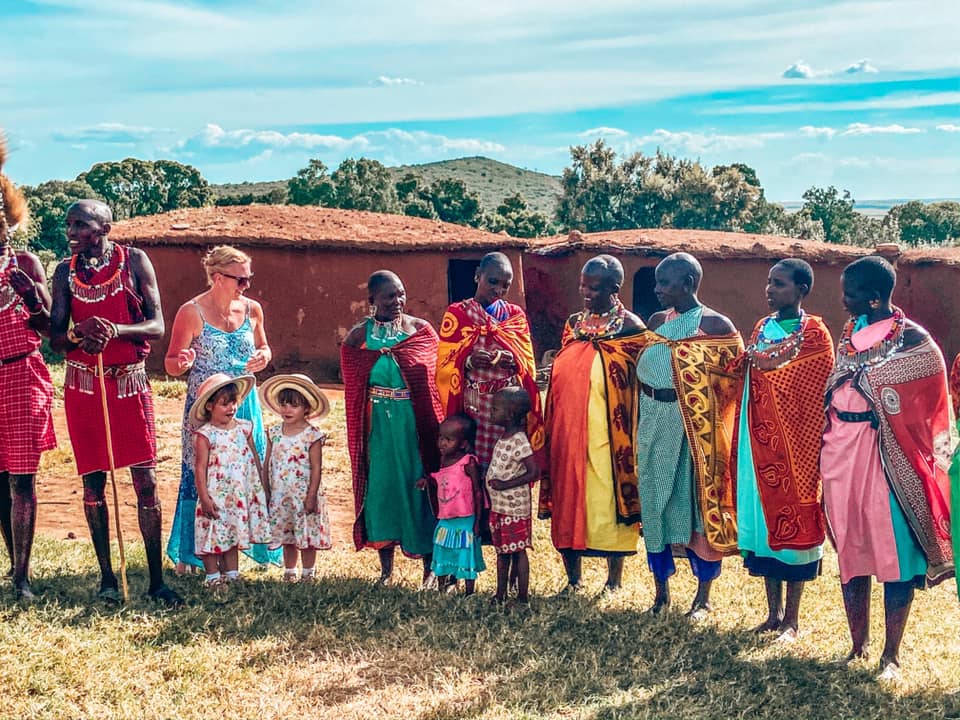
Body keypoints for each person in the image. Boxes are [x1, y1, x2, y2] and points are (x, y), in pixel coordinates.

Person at [821, 256, 955, 680]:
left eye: (851, 293)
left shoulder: (915, 342)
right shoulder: (850, 335)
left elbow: (932, 403)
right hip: (842, 452)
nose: (843, 301)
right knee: (852, 550)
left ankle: (890, 655)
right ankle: (857, 645)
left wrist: (870, 384)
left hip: (889, 459)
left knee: (895, 555)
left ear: (875, 297)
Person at [50, 199, 182, 605]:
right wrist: (77, 336)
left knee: (145, 481)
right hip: (84, 386)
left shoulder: (134, 261)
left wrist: (116, 329)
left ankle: (156, 581)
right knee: (93, 482)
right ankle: (108, 579)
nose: (72, 233)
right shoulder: (63, 272)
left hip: (128, 383)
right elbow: (55, 337)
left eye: (81, 225)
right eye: (69, 225)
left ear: (104, 228)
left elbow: (157, 324)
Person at [730, 259, 834, 641]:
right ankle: (772, 614)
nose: (769, 290)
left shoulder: (815, 334)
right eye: (769, 283)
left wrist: (765, 370)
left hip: (797, 447)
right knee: (762, 523)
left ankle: (792, 618)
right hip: (758, 441)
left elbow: (815, 386)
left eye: (779, 284)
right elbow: (753, 371)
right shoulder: (761, 328)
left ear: (801, 290)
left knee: (794, 525)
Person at [634, 252, 743, 617]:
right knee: (655, 502)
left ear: (689, 284)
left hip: (695, 432)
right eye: (657, 282)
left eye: (665, 283)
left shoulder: (715, 326)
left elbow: (733, 381)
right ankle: (660, 593)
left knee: (698, 506)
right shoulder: (656, 321)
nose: (657, 289)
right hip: (652, 420)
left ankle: (703, 597)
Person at [164, 245, 277, 574]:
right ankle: (191, 553)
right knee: (200, 472)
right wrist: (181, 363)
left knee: (245, 474)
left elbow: (265, 346)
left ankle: (240, 551)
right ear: (217, 277)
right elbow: (171, 362)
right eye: (240, 280)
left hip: (244, 405)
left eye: (249, 279)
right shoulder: (191, 312)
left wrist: (264, 357)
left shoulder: (253, 310)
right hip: (205, 408)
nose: (246, 287)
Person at [540, 255, 648, 594]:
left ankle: (613, 580)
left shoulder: (632, 329)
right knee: (568, 494)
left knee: (606, 498)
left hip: (610, 434)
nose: (586, 292)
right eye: (583, 285)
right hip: (567, 429)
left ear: (615, 289)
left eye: (594, 287)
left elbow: (638, 381)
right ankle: (573, 578)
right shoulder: (574, 324)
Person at [341, 270, 442, 585]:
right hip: (378, 429)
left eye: (401, 293)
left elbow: (435, 383)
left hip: (414, 426)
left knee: (419, 486)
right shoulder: (359, 337)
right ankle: (386, 570)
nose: (397, 301)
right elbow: (354, 386)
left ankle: (429, 568)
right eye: (389, 296)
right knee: (382, 491)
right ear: (372, 300)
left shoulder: (422, 332)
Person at [0, 135, 57, 600]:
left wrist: (31, 294)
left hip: (21, 373)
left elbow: (52, 328)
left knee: (22, 476)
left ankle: (22, 577)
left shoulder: (25, 263)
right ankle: (12, 567)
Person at [436, 252, 544, 469]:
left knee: (508, 465)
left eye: (506, 285)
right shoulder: (458, 314)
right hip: (473, 407)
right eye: (493, 281)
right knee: (474, 465)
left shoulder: (514, 316)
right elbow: (444, 365)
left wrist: (512, 361)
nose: (499, 290)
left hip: (508, 410)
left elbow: (527, 364)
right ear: (477, 276)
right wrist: (468, 362)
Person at [190, 373, 270, 590]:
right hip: (215, 495)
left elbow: (254, 458)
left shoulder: (244, 428)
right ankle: (212, 576)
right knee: (212, 531)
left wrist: (260, 487)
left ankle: (232, 574)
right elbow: (200, 468)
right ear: (209, 406)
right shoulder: (205, 435)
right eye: (224, 404)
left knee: (232, 532)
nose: (231, 408)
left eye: (233, 402)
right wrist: (204, 497)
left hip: (237, 496)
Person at [260, 373, 332, 583]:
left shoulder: (312, 435)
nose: (287, 410)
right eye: (284, 404)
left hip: (303, 494)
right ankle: (289, 571)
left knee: (306, 534)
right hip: (281, 495)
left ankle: (308, 572)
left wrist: (311, 495)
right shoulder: (273, 432)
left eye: (294, 405)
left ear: (307, 408)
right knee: (287, 534)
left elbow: (317, 468)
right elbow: (267, 463)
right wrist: (266, 490)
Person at [419, 414, 485, 596]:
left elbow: (478, 492)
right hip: (446, 517)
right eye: (441, 437)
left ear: (463, 443)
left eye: (448, 439)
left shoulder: (468, 462)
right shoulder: (443, 461)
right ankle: (442, 587)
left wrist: (478, 521)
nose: (442, 443)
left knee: (465, 553)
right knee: (442, 550)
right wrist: (427, 481)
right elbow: (443, 480)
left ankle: (469, 592)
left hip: (465, 519)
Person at [487, 387, 539, 606]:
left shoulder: (519, 440)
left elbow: (533, 472)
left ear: (509, 414)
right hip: (500, 507)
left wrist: (506, 484)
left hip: (514, 508)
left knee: (517, 552)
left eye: (495, 408)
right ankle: (500, 594)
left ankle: (522, 597)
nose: (491, 412)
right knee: (502, 551)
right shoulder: (505, 437)